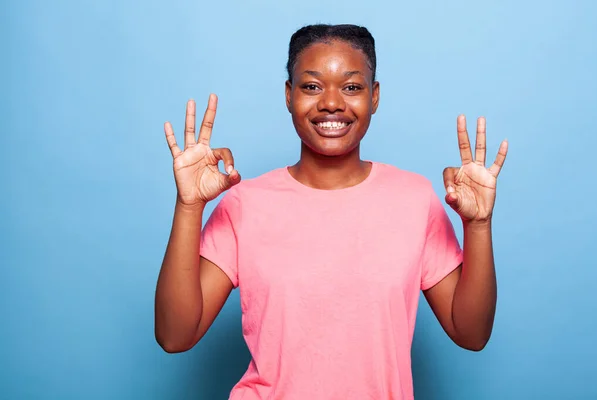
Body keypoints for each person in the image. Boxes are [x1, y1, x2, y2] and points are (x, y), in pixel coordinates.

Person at [154, 24, 508, 400]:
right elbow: (175, 336)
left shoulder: (414, 200)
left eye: (352, 87)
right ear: (289, 96)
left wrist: (479, 226)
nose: (332, 103)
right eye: (311, 86)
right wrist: (189, 206)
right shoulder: (245, 204)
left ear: (374, 97)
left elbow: (471, 334)